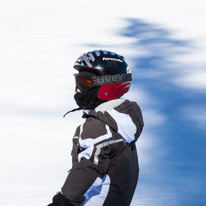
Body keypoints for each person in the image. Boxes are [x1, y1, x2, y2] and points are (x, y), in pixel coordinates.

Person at [48, 50, 144, 206]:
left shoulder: (99, 126)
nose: (78, 90)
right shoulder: (120, 120)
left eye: (84, 83)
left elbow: (88, 169)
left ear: (108, 85)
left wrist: (64, 201)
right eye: (77, 83)